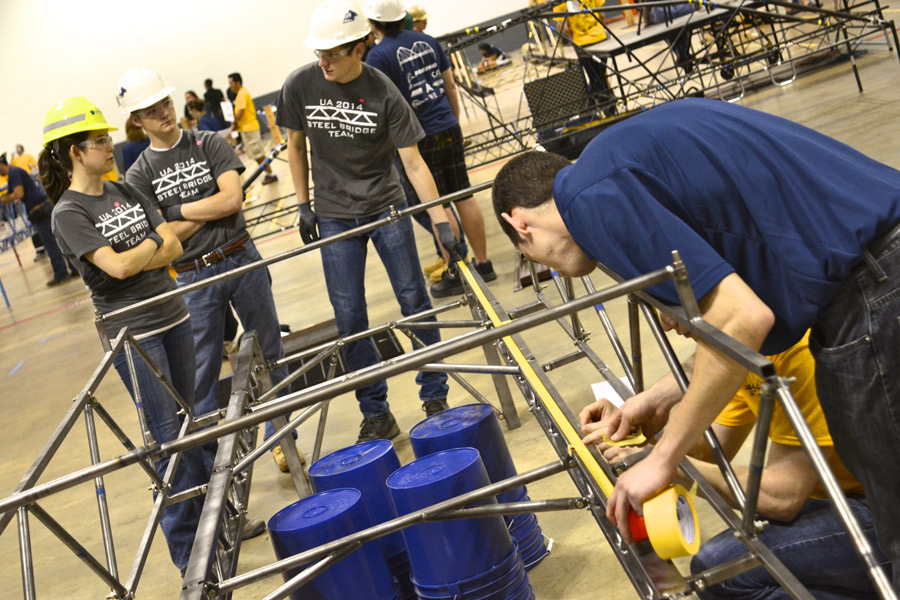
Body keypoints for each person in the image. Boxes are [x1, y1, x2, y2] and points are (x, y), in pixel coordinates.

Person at [491, 97, 900, 586]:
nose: (553, 271)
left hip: (872, 287)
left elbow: (740, 319)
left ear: (520, 224)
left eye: (535, 260)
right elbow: (748, 319)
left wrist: (663, 459)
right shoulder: (622, 156)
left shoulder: (590, 198)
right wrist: (662, 396)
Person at [581, 328, 888, 598]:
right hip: (841, 500)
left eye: (671, 300)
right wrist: (638, 443)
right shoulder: (747, 353)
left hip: (884, 510)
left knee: (721, 569)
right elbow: (708, 454)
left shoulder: (798, 352)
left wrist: (663, 461)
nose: (667, 322)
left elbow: (783, 496)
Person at [277, 0, 463, 442]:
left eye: (334, 53)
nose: (323, 61)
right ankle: (375, 411)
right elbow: (295, 145)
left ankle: (434, 395)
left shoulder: (382, 90)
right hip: (335, 214)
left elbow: (414, 164)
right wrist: (304, 204)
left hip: (386, 206)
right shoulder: (300, 85)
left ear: (360, 47)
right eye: (319, 52)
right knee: (349, 316)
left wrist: (440, 221)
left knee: (414, 300)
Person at [39, 97, 207, 574]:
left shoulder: (124, 189)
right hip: (134, 333)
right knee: (165, 439)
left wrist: (144, 250)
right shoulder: (68, 213)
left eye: (106, 138)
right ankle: (188, 556)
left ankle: (215, 526)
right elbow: (113, 268)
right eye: (98, 141)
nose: (109, 146)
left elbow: (172, 244)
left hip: (173, 314)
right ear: (74, 152)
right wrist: (152, 244)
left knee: (191, 424)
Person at [119, 67, 294, 474]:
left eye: (165, 102)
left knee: (271, 353)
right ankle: (217, 471)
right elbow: (165, 241)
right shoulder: (138, 175)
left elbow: (233, 200)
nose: (163, 112)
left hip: (241, 257)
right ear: (136, 120)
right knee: (200, 377)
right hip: (193, 277)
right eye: (151, 109)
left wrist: (176, 211)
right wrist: (208, 205)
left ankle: (283, 439)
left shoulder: (208, 141)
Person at [365, 0, 498, 298]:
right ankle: (484, 263)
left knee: (436, 204)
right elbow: (450, 86)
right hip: (447, 126)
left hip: (417, 138)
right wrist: (454, 122)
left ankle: (457, 268)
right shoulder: (428, 41)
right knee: (463, 194)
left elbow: (381, 107)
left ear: (373, 25)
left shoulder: (378, 57)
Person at [0, 154, 76, 285]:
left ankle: (61, 273)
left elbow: (18, 194)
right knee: (58, 240)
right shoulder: (14, 173)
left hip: (40, 209)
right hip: (42, 207)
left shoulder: (14, 173)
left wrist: (4, 200)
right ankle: (74, 268)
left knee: (51, 243)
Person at [227, 72, 277, 186]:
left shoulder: (242, 93)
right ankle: (268, 173)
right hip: (245, 129)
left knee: (258, 154)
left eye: (231, 83)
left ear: (237, 82)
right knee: (256, 155)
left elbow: (240, 112)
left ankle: (271, 174)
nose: (230, 86)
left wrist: (233, 124)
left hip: (250, 129)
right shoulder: (239, 94)